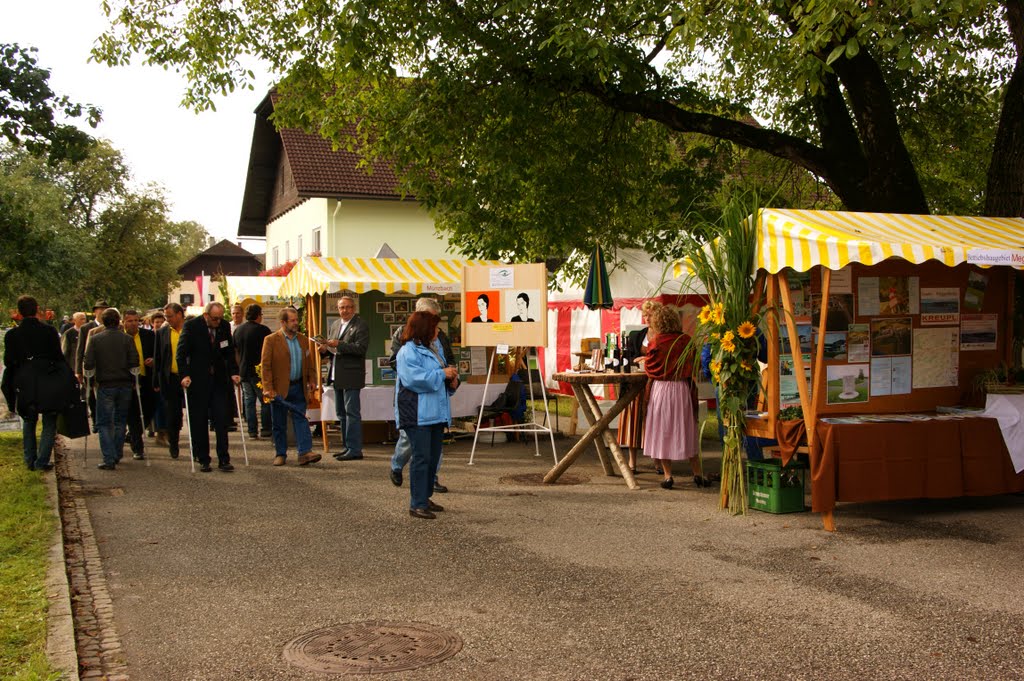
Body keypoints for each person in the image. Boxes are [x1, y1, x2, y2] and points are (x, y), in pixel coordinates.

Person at [395, 311, 459, 519]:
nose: (438, 331)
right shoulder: (407, 352)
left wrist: (451, 382)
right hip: (417, 413)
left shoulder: (433, 349)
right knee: (421, 458)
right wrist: (442, 374)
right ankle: (417, 504)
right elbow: (414, 380)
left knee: (432, 459)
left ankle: (425, 497)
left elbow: (437, 377)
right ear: (425, 329)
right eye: (435, 327)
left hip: (435, 413)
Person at [388, 297, 455, 492]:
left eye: (435, 319)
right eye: (430, 318)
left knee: (433, 450)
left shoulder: (439, 336)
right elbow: (402, 368)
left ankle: (431, 480)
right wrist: (436, 374)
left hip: (435, 402)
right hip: (414, 402)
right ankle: (397, 465)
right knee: (411, 442)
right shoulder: (405, 338)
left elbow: (447, 360)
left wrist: (450, 375)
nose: (434, 324)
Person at [1, 295, 69, 471]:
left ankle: (29, 458)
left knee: (28, 420)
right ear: (37, 309)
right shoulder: (49, 331)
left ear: (19, 312)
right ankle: (42, 460)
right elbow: (58, 357)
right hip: (47, 380)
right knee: (49, 421)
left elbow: (9, 361)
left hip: (24, 382)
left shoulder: (12, 335)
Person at [176, 302, 241, 472]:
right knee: (199, 420)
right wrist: (184, 375)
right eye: (214, 319)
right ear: (206, 315)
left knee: (221, 420)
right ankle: (203, 457)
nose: (218, 322)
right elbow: (181, 354)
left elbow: (229, 352)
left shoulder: (224, 326)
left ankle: (224, 459)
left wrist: (234, 372)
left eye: (220, 318)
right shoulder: (192, 326)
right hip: (198, 381)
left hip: (219, 381)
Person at [642, 303, 701, 489]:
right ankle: (697, 473)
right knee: (687, 428)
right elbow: (695, 364)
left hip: (661, 389)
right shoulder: (686, 340)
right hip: (681, 388)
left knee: (662, 430)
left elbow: (650, 368)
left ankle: (668, 476)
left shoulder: (657, 342)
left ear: (658, 322)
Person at [261, 307, 319, 466]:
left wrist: (311, 378)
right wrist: (268, 387)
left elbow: (309, 362)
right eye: (292, 321)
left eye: (296, 320)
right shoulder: (271, 340)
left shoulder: (303, 340)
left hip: (298, 386)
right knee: (279, 423)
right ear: (283, 322)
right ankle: (280, 454)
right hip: (278, 389)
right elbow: (265, 366)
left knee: (301, 419)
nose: (296, 323)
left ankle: (305, 452)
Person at [84, 308, 139, 470]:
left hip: (106, 385)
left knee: (104, 423)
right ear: (119, 322)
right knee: (120, 421)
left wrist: (89, 377)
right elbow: (134, 361)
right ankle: (116, 453)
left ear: (103, 322)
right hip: (124, 385)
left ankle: (109, 457)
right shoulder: (127, 339)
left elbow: (88, 363)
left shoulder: (95, 339)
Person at [319, 295, 369, 461]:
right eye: (341, 307)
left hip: (352, 375)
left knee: (351, 413)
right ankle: (347, 446)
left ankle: (355, 449)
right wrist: (324, 349)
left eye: (348, 307)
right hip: (337, 374)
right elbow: (332, 349)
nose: (345, 310)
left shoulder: (360, 325)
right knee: (341, 413)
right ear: (338, 309)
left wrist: (338, 344)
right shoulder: (335, 325)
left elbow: (361, 349)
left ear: (353, 308)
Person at [617, 300, 657, 473]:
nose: (647, 318)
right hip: (636, 385)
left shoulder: (664, 336)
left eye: (651, 314)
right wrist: (637, 360)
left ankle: (658, 460)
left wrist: (647, 360)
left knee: (655, 423)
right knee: (633, 421)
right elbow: (627, 358)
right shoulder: (636, 335)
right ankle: (632, 461)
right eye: (645, 314)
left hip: (656, 384)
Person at [233, 303, 273, 438]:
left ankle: (252, 430)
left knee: (249, 401)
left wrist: (239, 367)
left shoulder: (238, 330)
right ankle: (266, 428)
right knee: (264, 400)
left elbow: (235, 352)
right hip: (259, 371)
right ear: (258, 315)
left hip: (244, 370)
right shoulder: (263, 331)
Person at [154, 303, 187, 459]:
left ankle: (197, 446)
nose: (167, 319)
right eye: (166, 316)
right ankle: (174, 444)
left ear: (180, 314)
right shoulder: (162, 333)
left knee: (194, 413)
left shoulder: (190, 330)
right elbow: (158, 358)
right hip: (171, 379)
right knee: (172, 414)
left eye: (170, 316)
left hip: (189, 378)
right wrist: (156, 381)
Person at [122, 309, 156, 460]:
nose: (134, 323)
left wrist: (153, 361)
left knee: (149, 410)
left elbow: (157, 353)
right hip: (127, 381)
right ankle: (138, 448)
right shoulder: (120, 337)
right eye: (130, 321)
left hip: (146, 378)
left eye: (136, 320)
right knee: (133, 415)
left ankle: (134, 433)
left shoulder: (148, 335)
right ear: (124, 322)